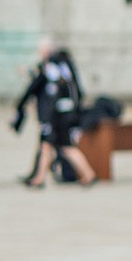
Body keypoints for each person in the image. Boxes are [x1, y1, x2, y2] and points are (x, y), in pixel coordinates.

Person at [12, 38, 95, 189]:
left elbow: (40, 87)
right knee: (53, 146)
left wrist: (22, 105)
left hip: (56, 115)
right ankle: (40, 177)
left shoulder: (51, 66)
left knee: (58, 146)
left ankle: (41, 178)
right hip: (66, 112)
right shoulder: (66, 65)